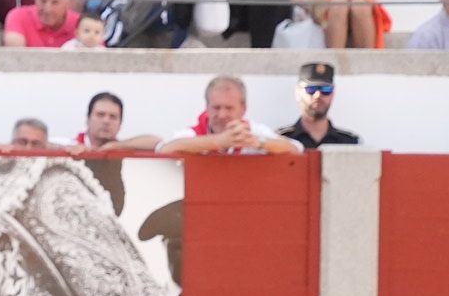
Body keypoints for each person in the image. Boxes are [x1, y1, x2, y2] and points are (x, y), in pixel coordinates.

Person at [156, 75, 304, 155]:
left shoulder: (254, 131)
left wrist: (258, 143)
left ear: (243, 109)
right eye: (216, 107)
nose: (221, 114)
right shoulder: (192, 133)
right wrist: (219, 141)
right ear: (206, 107)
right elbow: (164, 149)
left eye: (229, 108)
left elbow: (295, 149)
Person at [66, 91, 160, 215]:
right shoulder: (69, 144)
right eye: (100, 115)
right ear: (87, 120)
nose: (106, 121)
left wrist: (117, 145)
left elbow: (158, 142)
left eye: (113, 117)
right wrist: (66, 150)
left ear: (120, 124)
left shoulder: (125, 148)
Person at [278, 63, 362, 148]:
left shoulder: (349, 142)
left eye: (326, 89)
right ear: (298, 93)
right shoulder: (281, 140)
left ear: (333, 95)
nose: (318, 95)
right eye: (311, 89)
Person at [2, 0, 79, 48]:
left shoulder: (79, 24)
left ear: (68, 1)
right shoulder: (18, 16)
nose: (47, 9)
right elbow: (15, 57)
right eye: (43, 0)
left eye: (55, 2)